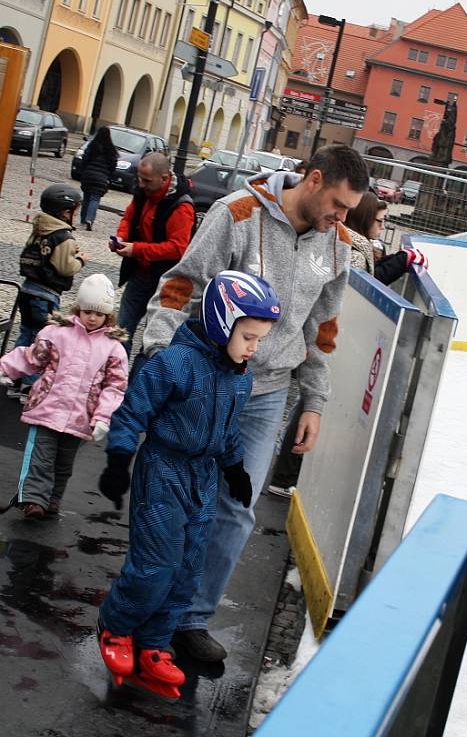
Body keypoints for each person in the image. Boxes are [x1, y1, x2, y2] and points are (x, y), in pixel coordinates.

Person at [140, 144, 369, 661]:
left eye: (349, 210)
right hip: (206, 383)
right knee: (175, 499)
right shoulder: (237, 214)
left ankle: (191, 620)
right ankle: (145, 604)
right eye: (337, 204)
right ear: (312, 180)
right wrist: (159, 358)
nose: (341, 218)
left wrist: (314, 399)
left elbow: (322, 332)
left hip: (268, 394)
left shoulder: (337, 247)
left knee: (235, 509)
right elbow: (181, 287)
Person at [96, 271, 280, 698]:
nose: (255, 348)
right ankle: (117, 626)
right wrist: (119, 460)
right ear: (221, 324)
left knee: (187, 568)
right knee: (156, 563)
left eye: (259, 340)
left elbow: (229, 430)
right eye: (249, 337)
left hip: (204, 477)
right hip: (163, 470)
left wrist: (235, 470)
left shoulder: (241, 376)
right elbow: (132, 412)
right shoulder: (174, 364)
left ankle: (155, 643)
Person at [267, 191, 429, 498]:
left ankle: (285, 473)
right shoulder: (350, 246)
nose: (383, 227)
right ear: (366, 218)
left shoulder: (355, 244)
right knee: (309, 402)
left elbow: (371, 275)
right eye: (380, 221)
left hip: (329, 338)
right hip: (327, 338)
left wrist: (399, 261)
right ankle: (284, 474)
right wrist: (401, 262)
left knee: (309, 403)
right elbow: (361, 283)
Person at [0, 274, 127, 519]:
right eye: (88, 311)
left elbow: (114, 387)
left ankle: (53, 499)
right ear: (78, 308)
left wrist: (103, 417)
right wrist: (6, 368)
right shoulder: (57, 334)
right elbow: (32, 357)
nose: (92, 318)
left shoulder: (113, 349)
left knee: (63, 464)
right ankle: (33, 499)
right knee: (40, 457)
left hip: (80, 417)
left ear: (108, 316)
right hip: (47, 408)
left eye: (98, 314)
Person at [111, 152, 194, 357]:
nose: (140, 184)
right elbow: (129, 218)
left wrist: (136, 249)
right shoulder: (143, 193)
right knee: (121, 330)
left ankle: (141, 384)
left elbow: (178, 248)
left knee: (153, 339)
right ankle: (114, 378)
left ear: (164, 179)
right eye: (139, 178)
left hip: (166, 282)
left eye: (146, 180)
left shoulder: (182, 206)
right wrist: (121, 237)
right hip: (140, 274)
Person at [8, 184, 86, 402]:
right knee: (41, 339)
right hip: (46, 294)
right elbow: (65, 267)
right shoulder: (63, 236)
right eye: (74, 211)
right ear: (64, 212)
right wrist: (79, 260)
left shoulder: (40, 227)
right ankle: (29, 386)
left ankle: (13, 377)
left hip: (27, 290)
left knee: (25, 333)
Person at [79, 126, 118, 230]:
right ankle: (89, 219)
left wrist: (84, 171)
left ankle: (83, 219)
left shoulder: (92, 146)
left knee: (86, 197)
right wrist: (108, 176)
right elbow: (113, 165)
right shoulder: (111, 149)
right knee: (95, 199)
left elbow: (85, 158)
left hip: (89, 175)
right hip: (102, 177)